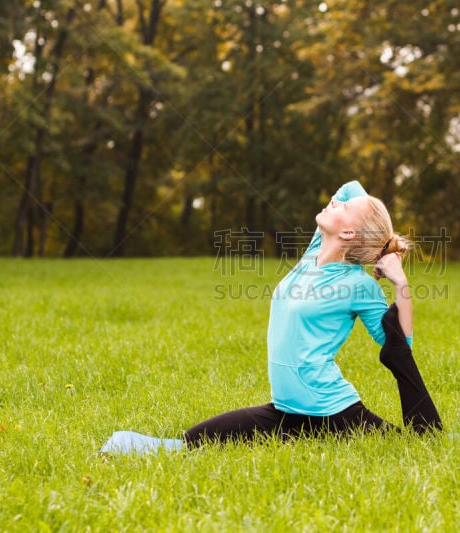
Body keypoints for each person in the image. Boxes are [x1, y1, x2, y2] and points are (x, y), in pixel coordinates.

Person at [100, 181, 441, 454]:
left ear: (349, 233)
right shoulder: (313, 254)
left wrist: (400, 281)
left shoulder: (356, 284)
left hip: (332, 411)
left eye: (345, 208)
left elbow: (400, 345)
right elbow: (349, 187)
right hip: (287, 411)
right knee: (191, 441)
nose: (335, 202)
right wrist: (369, 223)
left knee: (416, 445)